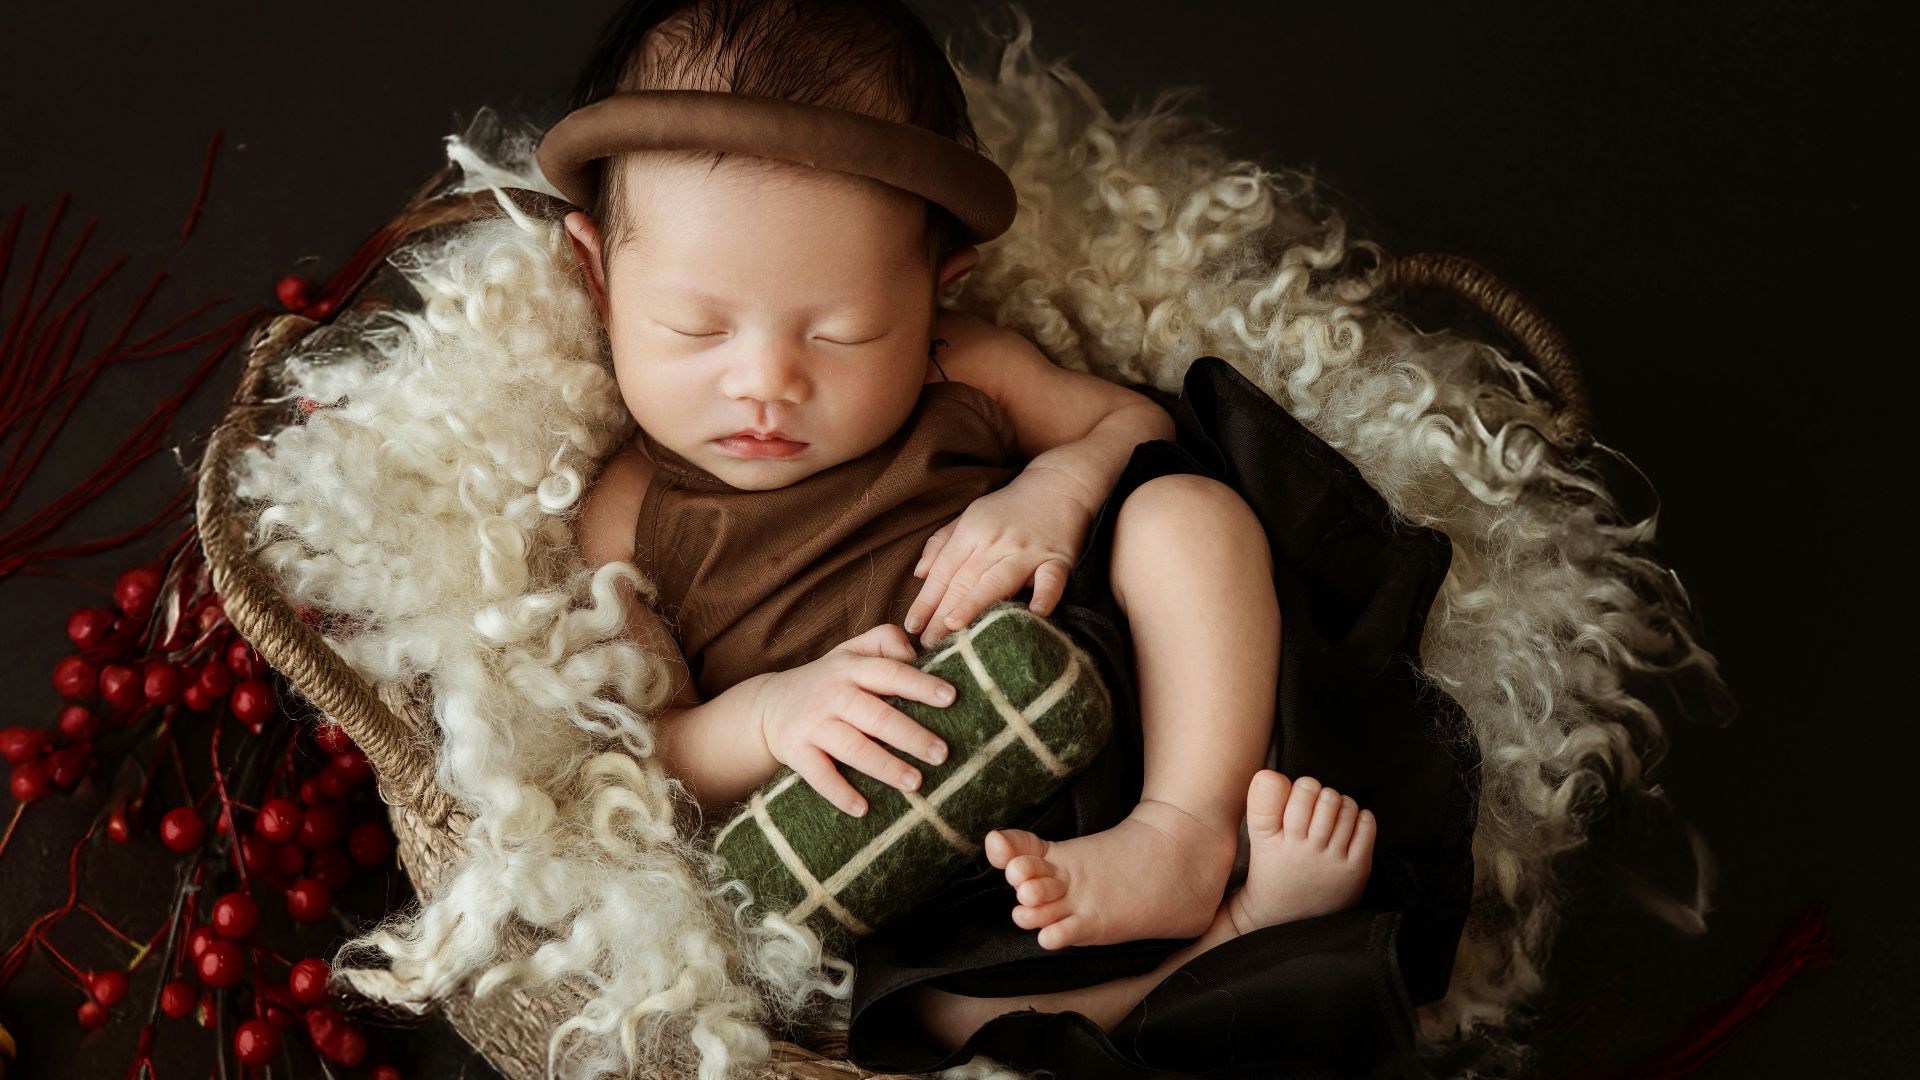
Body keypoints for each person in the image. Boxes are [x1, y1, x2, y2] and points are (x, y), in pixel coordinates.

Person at [550, 2, 1476, 1076]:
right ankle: (1241, 934)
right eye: (696, 328)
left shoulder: (964, 364)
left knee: (1186, 510)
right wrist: (771, 713)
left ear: (938, 287)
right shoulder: (624, 510)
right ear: (599, 276)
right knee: (920, 1014)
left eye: (842, 331)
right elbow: (645, 755)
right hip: (921, 852)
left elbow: (1132, 423)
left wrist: (1053, 490)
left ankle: (1186, 831)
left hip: (1140, 701)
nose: (767, 380)